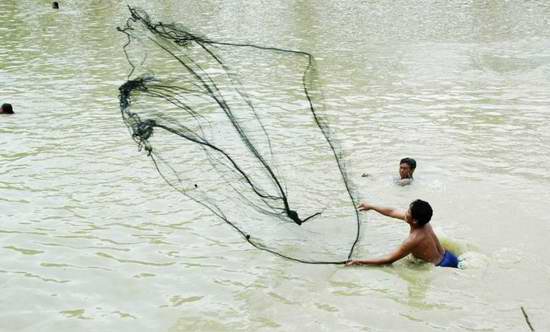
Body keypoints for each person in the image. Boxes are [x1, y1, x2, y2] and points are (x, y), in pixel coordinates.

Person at [346, 199, 459, 268]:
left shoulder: (413, 240)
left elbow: (388, 260)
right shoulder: (424, 223)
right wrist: (371, 206)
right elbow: (392, 212)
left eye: (408, 211)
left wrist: (358, 261)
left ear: (414, 220)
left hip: (441, 267)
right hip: (449, 257)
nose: (405, 212)